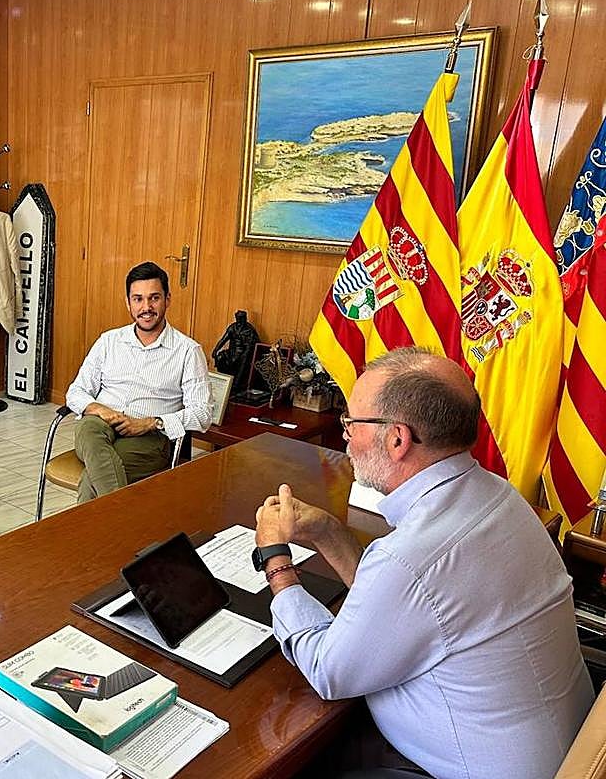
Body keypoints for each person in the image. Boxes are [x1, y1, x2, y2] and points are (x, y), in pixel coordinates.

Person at [252, 347, 592, 779]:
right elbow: (409, 604)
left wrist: (274, 556)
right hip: (558, 752)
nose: (345, 435)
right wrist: (326, 532)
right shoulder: (503, 498)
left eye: (352, 422)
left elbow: (327, 671)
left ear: (397, 439)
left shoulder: (411, 558)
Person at [65, 261, 212, 504]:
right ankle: (123, 532)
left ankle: (102, 536)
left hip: (149, 437)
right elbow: (76, 392)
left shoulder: (187, 351)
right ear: (128, 302)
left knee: (93, 479)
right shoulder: (109, 341)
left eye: (154, 298)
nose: (146, 307)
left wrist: (149, 423)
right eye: (138, 299)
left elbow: (203, 414)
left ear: (168, 299)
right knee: (89, 431)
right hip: (99, 425)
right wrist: (101, 410)